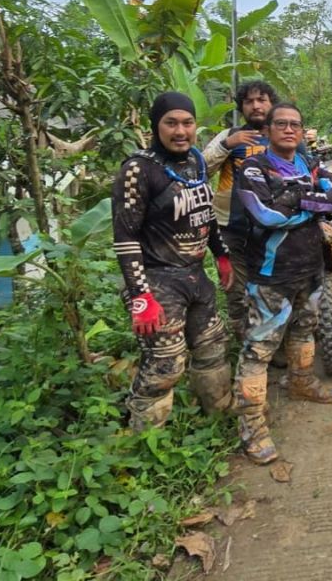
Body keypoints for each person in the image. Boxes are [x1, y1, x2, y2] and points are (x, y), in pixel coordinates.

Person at [232, 102, 332, 464]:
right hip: (271, 272)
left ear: (301, 131)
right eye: (280, 123)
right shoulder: (253, 167)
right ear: (267, 130)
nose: (288, 129)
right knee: (259, 347)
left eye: (294, 124)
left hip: (311, 265)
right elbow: (265, 215)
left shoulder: (309, 164)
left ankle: (301, 381)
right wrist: (311, 202)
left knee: (304, 329)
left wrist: (295, 199)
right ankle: (251, 424)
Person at [111, 92, 233, 430]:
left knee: (212, 348)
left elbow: (203, 215)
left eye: (187, 122)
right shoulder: (139, 169)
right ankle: (144, 439)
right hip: (157, 281)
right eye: (171, 123)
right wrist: (141, 296)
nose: (180, 131)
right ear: (156, 125)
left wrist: (221, 254)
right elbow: (125, 236)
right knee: (166, 363)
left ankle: (218, 421)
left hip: (195, 277)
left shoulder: (194, 162)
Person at [202, 80, 275, 339]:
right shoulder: (229, 136)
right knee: (237, 293)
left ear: (271, 103)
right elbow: (200, 170)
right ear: (242, 107)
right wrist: (228, 144)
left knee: (272, 290)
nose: (256, 106)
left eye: (261, 100)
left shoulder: (283, 132)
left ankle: (272, 342)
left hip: (273, 232)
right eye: (249, 101)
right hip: (231, 229)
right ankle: (246, 344)